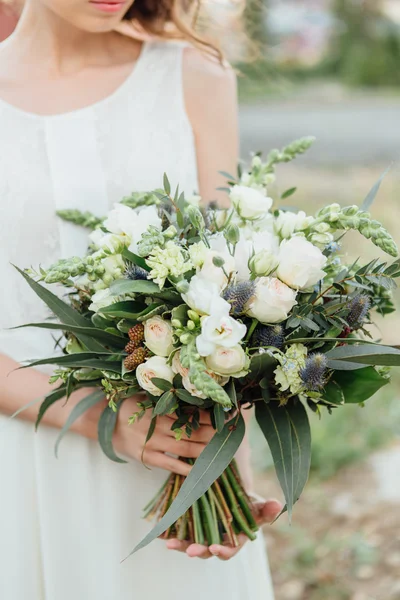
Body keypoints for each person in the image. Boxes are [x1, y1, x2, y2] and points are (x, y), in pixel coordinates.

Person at [0, 1, 281, 598]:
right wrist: (109, 422)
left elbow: (229, 300)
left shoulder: (195, 76)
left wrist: (228, 468)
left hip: (175, 454)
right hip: (19, 461)